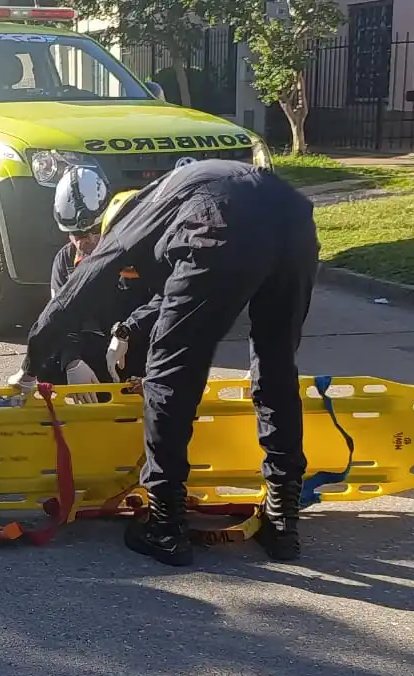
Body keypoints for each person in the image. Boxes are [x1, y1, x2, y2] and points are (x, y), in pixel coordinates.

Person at [17, 159, 319, 568]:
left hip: (221, 219)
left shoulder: (132, 217)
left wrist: (32, 363)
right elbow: (169, 291)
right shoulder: (174, 197)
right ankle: (283, 522)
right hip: (294, 220)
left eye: (88, 234)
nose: (81, 242)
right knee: (276, 364)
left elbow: (78, 294)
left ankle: (165, 524)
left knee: (171, 370)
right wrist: (124, 331)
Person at [42, 167, 151, 388]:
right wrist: (71, 361)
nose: (84, 243)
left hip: (144, 344)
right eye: (77, 235)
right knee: (48, 360)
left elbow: (170, 308)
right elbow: (58, 320)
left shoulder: (141, 250)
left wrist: (127, 331)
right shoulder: (66, 261)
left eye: (93, 231)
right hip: (106, 350)